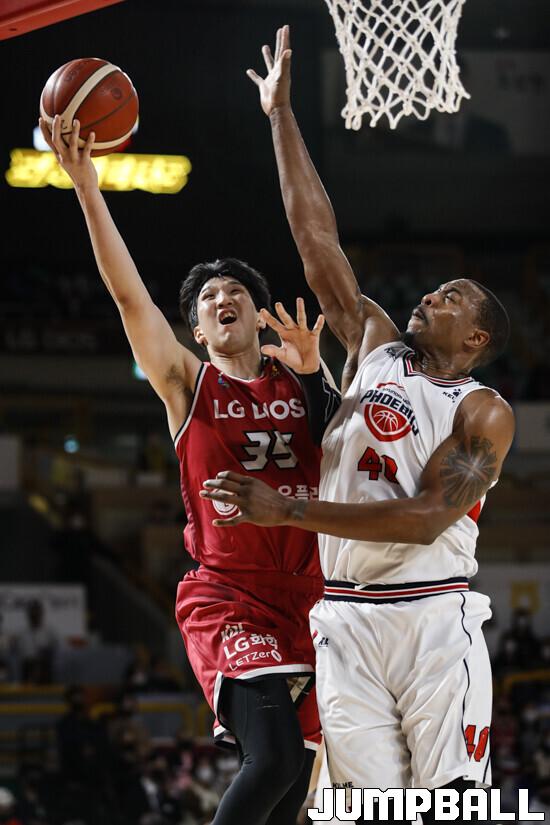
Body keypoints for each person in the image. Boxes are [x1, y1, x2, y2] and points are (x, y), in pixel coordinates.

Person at [200, 24, 516, 818]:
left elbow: (424, 517)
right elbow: (316, 240)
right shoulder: (374, 340)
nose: (430, 295)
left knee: (447, 807)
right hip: (344, 616)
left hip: (432, 616)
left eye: (452, 297)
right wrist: (281, 115)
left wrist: (289, 510)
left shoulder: (482, 409)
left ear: (476, 340)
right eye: (434, 288)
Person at [39, 114, 331, 825]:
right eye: (208, 298)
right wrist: (87, 187)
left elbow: (351, 461)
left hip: (315, 601)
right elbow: (129, 297)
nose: (223, 297)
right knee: (274, 759)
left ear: (260, 315)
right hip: (230, 593)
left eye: (236, 292)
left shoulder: (305, 381)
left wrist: (317, 372)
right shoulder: (187, 383)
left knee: (294, 790)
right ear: (197, 330)